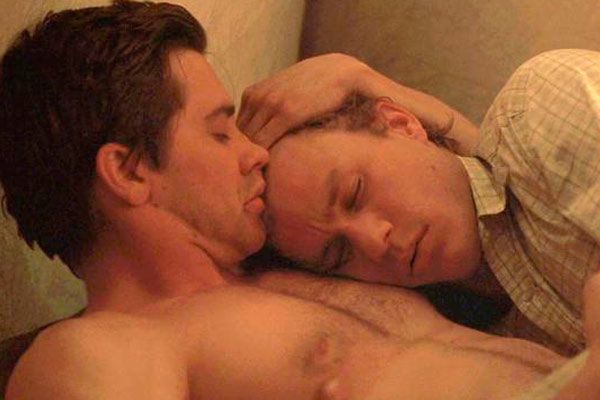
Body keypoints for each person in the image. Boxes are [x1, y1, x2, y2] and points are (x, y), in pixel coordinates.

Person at [0, 2, 595, 399]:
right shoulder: (96, 351)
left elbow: (499, 208)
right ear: (129, 173)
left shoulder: (296, 261)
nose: (253, 153)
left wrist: (373, 86)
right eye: (220, 131)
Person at [240, 49, 600, 357]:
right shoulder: (481, 343)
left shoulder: (536, 111)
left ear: (401, 124)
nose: (373, 242)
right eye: (339, 253)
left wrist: (360, 78)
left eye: (355, 193)